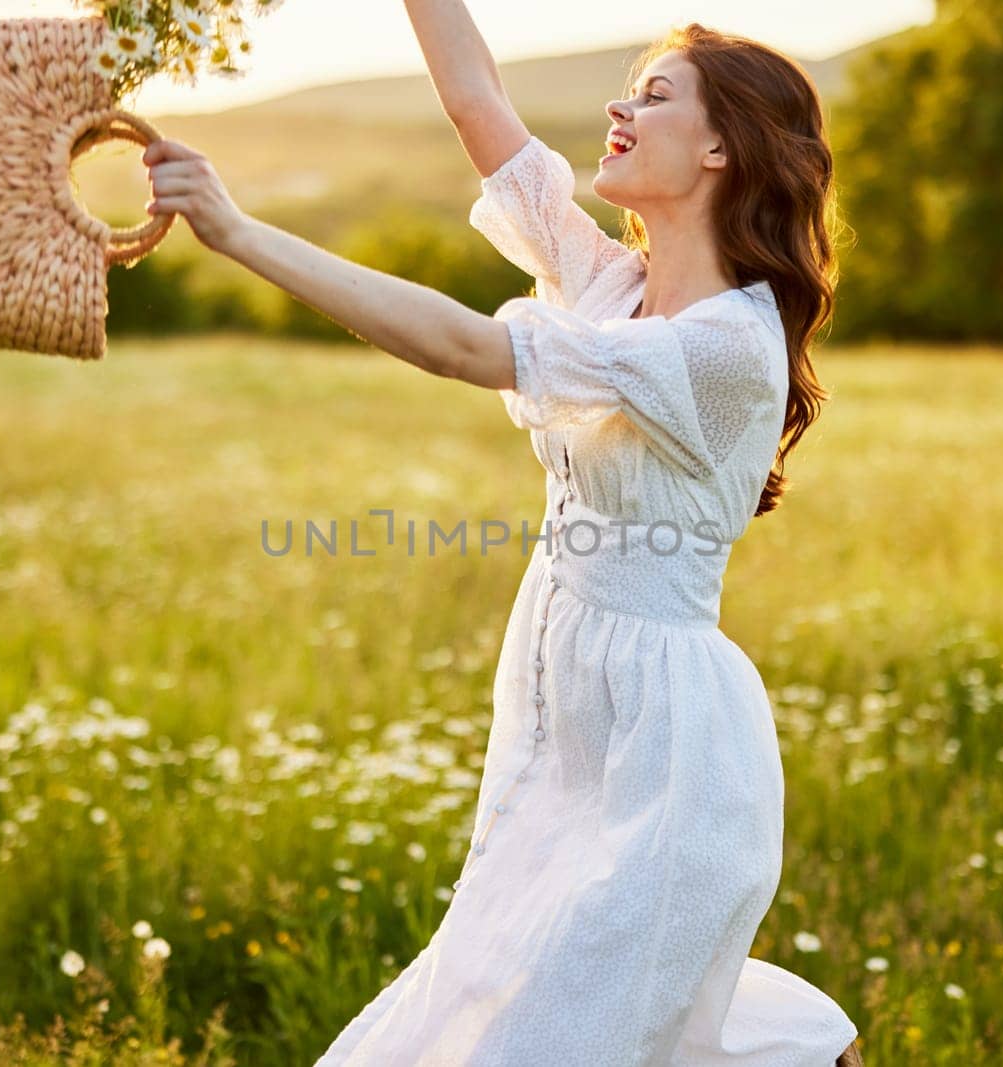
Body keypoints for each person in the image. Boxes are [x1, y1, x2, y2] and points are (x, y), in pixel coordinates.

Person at [141, 4, 861, 1063]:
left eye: (655, 95)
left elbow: (458, 345)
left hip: (665, 747)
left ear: (721, 147)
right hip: (571, 721)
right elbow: (479, 104)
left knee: (542, 1031)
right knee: (511, 1002)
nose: (620, 104)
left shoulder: (719, 344)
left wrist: (240, 234)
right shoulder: (614, 289)